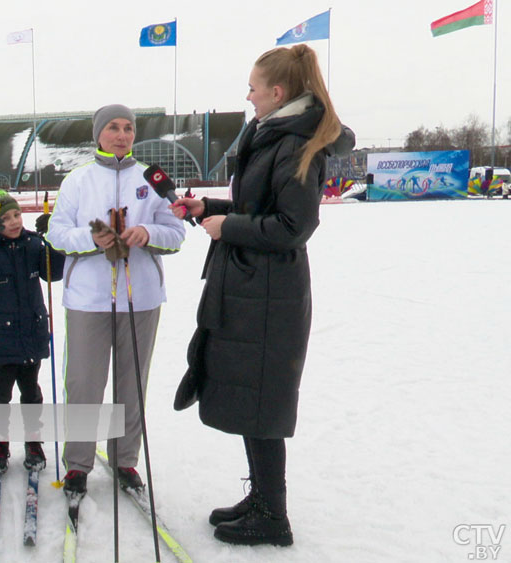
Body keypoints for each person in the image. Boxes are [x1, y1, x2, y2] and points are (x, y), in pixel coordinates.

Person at [171, 44, 354, 547]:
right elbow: (260, 204)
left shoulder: (298, 143)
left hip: (271, 294)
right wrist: (207, 205)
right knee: (254, 399)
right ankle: (263, 498)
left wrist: (227, 225)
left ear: (277, 93)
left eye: (252, 88)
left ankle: (273, 515)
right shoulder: (273, 133)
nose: (246, 95)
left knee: (264, 402)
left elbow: (293, 226)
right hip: (253, 288)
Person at [44, 104, 186, 497]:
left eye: (128, 128)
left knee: (132, 384)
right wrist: (91, 240)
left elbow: (175, 232)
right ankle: (78, 464)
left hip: (140, 298)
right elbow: (57, 233)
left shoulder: (150, 179)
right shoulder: (78, 180)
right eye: (113, 128)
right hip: (88, 299)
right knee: (85, 384)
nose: (121, 135)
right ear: (98, 134)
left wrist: (147, 232)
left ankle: (125, 459)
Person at [0, 186, 64, 474]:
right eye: (5, 217)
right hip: (0, 335)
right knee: (1, 395)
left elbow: (53, 273)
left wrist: (53, 237)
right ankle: (0, 443)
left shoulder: (33, 243)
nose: (14, 221)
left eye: (17, 214)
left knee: (31, 392)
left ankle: (34, 441)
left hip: (31, 331)